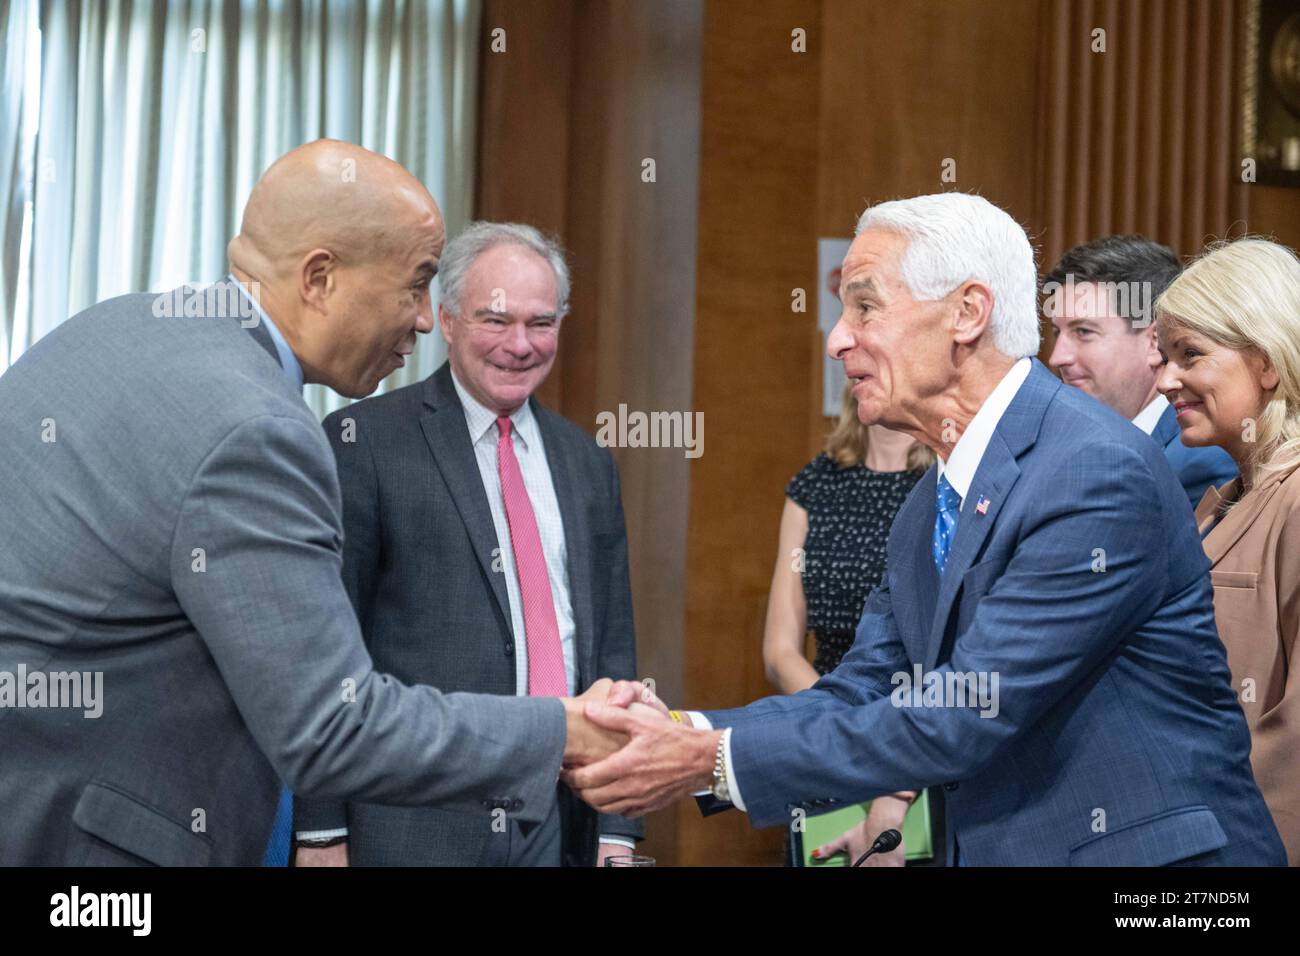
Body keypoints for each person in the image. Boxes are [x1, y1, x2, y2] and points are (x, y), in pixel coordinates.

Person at [565, 192, 1286, 867]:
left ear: (967, 312)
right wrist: (682, 733)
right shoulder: (930, 502)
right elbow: (866, 689)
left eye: (865, 306)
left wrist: (708, 757)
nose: (838, 340)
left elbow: (963, 711)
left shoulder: (1093, 471)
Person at [0, 140, 620, 866]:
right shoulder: (258, 431)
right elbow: (332, 726)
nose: (425, 321)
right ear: (321, 278)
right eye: (417, 284)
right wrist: (562, 730)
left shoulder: (122, 324)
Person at [293, 222, 641, 866]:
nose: (520, 345)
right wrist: (319, 833)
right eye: (495, 320)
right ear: (446, 320)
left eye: (542, 323)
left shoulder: (587, 463)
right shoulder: (362, 445)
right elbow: (322, 654)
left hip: (562, 821)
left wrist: (618, 830)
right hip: (411, 823)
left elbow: (613, 651)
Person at [1154, 237, 1300, 865]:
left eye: (1190, 354)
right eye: (1163, 356)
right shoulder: (1224, 501)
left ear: (1266, 362)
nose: (1165, 380)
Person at [763, 381, 930, 864]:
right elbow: (779, 651)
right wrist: (848, 734)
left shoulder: (946, 479)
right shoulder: (814, 486)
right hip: (825, 738)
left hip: (920, 751)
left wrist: (887, 767)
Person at [1046, 234, 1236, 507]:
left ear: (1154, 342)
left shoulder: (1197, 462)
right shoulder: (1071, 445)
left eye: (1083, 332)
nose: (1057, 357)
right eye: (1057, 333)